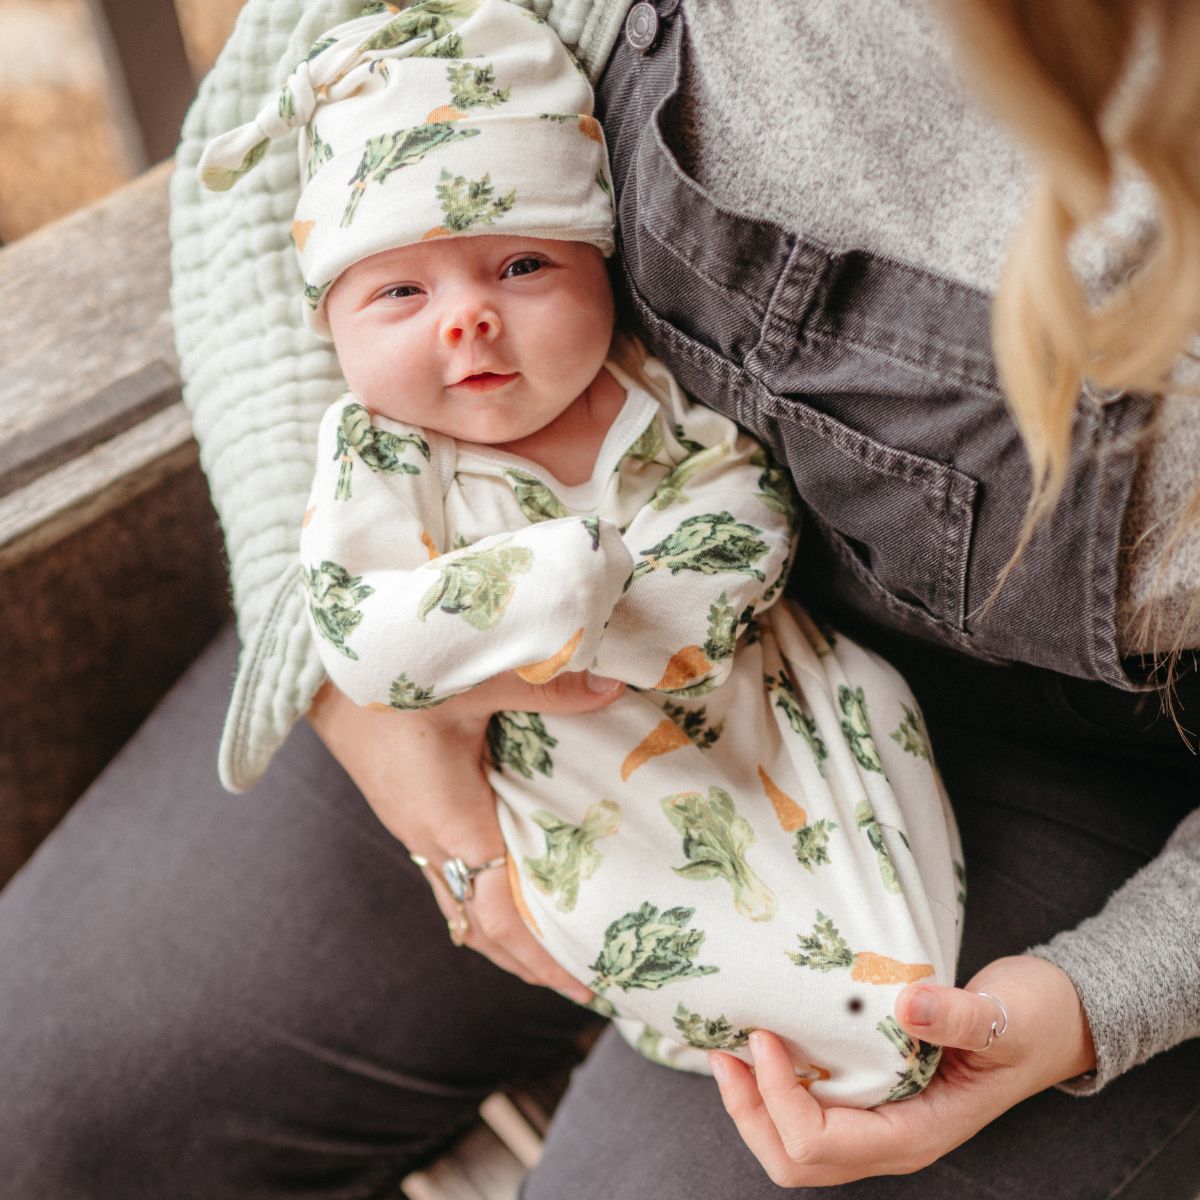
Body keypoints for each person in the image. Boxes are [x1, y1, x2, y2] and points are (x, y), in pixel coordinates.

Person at [0, 0, 1196, 1197]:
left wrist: (1101, 997)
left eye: (522, 263)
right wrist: (348, 676)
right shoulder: (402, 462)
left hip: (1054, 764)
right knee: (40, 1105)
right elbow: (300, 69)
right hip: (466, 580)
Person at [195, 0, 963, 1105]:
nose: (466, 320)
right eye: (401, 291)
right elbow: (360, 635)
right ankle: (821, 1031)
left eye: (519, 266)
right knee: (634, 890)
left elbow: (744, 511)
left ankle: (898, 974)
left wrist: (637, 606)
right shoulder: (375, 449)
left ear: (600, 267)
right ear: (330, 327)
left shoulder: (642, 394)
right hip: (565, 772)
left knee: (875, 722)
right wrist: (557, 582)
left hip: (752, 693)